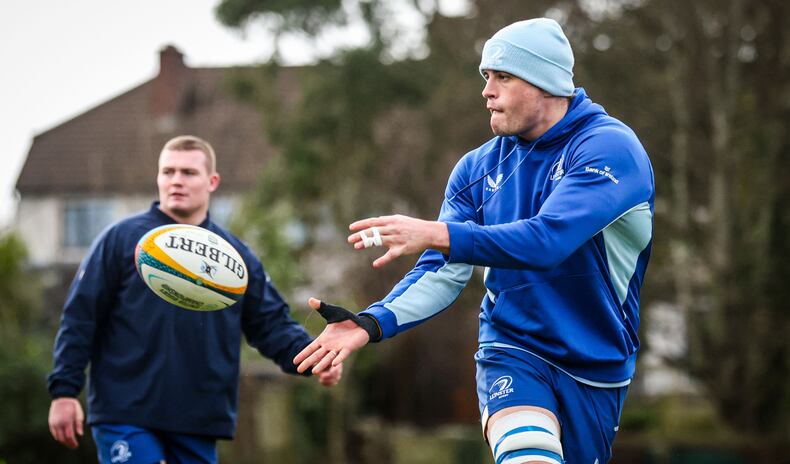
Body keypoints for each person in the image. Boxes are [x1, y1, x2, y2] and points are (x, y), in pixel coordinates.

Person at [294, 18, 654, 464]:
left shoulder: (607, 149)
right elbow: (442, 273)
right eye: (486, 77)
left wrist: (435, 232)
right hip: (511, 349)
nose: (487, 91)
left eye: (502, 77)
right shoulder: (475, 170)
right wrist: (369, 323)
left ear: (545, 82)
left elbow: (548, 240)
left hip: (596, 366)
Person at [47, 135, 342, 464]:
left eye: (188, 173)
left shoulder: (235, 258)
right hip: (125, 412)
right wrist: (64, 390)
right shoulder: (122, 239)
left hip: (198, 419)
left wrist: (318, 358)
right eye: (167, 172)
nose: (176, 181)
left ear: (212, 181)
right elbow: (80, 317)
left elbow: (272, 326)